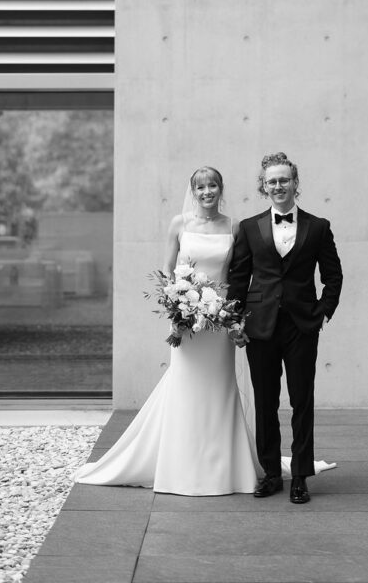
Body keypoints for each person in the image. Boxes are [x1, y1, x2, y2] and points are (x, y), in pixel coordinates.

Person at [75, 166, 260, 495]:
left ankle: (223, 467)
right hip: (186, 319)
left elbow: (237, 275)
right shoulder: (179, 223)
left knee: (220, 387)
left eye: (212, 185)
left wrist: (231, 316)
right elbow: (167, 269)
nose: (207, 192)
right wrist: (176, 305)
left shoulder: (234, 226)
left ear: (221, 188)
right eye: (200, 187)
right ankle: (181, 466)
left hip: (219, 321)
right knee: (187, 385)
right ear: (193, 191)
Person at [227, 152, 343, 504]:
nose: (278, 186)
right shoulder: (250, 227)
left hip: (301, 325)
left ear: (295, 183)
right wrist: (235, 319)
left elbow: (333, 275)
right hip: (259, 325)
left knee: (302, 401)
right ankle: (272, 474)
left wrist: (323, 313)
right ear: (263, 186)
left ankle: (301, 477)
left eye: (284, 180)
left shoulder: (318, 226)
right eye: (272, 181)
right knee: (265, 402)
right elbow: (238, 277)